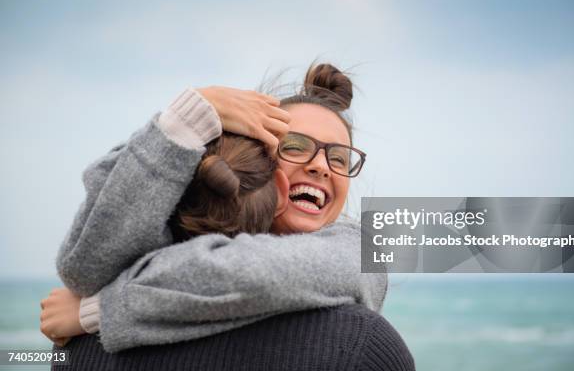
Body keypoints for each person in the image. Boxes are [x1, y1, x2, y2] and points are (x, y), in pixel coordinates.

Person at [40, 64, 413, 368]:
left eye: (339, 158)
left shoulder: (79, 348)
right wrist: (184, 123)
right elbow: (86, 265)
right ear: (261, 163)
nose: (321, 166)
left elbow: (258, 274)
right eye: (297, 146)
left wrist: (98, 311)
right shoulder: (360, 347)